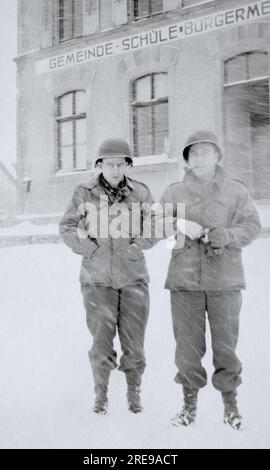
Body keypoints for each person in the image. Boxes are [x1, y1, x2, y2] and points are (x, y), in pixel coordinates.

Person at [159, 130, 261, 430]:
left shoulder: (235, 191)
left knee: (226, 346)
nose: (199, 158)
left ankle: (231, 406)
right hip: (185, 282)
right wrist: (177, 223)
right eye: (193, 153)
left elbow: (252, 224)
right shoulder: (174, 192)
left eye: (206, 152)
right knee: (187, 348)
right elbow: (150, 222)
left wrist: (228, 235)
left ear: (218, 156)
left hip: (225, 282)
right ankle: (188, 406)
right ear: (187, 161)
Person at [59, 138, 154, 415]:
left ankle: (134, 392)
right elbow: (67, 226)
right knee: (101, 341)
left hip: (134, 278)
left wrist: (138, 245)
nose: (115, 169)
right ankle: (101, 394)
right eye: (109, 164)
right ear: (99, 165)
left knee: (134, 341)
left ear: (127, 165)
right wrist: (90, 249)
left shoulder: (141, 193)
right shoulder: (84, 193)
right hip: (97, 281)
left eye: (120, 163)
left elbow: (156, 224)